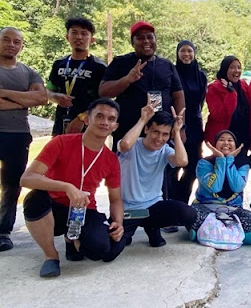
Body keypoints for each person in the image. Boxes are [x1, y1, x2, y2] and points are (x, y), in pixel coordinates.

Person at [20, 98, 125, 277]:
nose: (104, 122)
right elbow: (27, 178)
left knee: (106, 249)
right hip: (54, 208)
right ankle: (51, 256)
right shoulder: (61, 143)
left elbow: (115, 199)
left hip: (84, 210)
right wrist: (66, 186)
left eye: (111, 119)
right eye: (99, 116)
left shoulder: (111, 159)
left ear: (115, 126)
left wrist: (119, 224)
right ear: (87, 120)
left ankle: (72, 239)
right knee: (34, 200)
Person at [117, 99, 196, 247]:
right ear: (146, 129)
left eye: (165, 134)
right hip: (128, 208)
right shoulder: (133, 145)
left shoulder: (165, 150)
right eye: (156, 132)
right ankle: (130, 230)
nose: (159, 139)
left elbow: (182, 161)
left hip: (153, 206)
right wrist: (143, 119)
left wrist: (176, 132)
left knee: (189, 213)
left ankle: (152, 227)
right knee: (110, 251)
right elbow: (125, 145)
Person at [99, 21, 185, 149]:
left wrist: (180, 127)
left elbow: (178, 96)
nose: (146, 41)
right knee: (125, 168)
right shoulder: (120, 63)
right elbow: (103, 91)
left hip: (161, 132)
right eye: (140, 38)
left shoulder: (167, 65)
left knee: (163, 168)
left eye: (150, 37)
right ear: (132, 43)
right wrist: (127, 79)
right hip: (129, 131)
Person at [0, 27, 47, 252]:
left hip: (17, 134)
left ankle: (3, 231)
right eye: (6, 40)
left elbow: (41, 98)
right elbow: (33, 99)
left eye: (16, 41)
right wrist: (24, 100)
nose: (11, 44)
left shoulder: (29, 72)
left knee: (12, 185)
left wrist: (4, 94)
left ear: (22, 46)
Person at [190, 130, 251, 243]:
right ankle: (239, 235)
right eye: (221, 140)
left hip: (232, 209)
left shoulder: (243, 163)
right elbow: (215, 187)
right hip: (206, 207)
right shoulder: (204, 163)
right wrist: (221, 160)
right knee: (191, 215)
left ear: (236, 145)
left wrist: (230, 161)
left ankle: (203, 233)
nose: (226, 143)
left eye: (230, 140)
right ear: (214, 145)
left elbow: (237, 187)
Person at [47, 17, 107, 135]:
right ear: (67, 37)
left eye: (84, 34)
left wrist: (83, 117)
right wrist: (55, 96)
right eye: (74, 32)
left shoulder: (100, 67)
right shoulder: (59, 64)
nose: (79, 37)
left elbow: (105, 100)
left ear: (92, 40)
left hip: (88, 125)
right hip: (61, 123)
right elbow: (48, 91)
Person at [168, 40, 207, 203]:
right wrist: (178, 126)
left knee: (193, 166)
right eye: (183, 51)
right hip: (176, 124)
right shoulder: (172, 73)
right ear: (177, 53)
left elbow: (201, 101)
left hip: (195, 125)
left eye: (190, 51)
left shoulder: (201, 75)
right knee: (173, 166)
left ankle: (181, 202)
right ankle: (170, 203)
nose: (186, 54)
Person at [205, 56, 251, 155]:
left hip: (243, 138)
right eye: (232, 67)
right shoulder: (214, 88)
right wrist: (231, 94)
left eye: (239, 67)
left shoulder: (243, 86)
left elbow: (250, 112)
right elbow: (218, 115)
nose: (236, 70)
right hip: (224, 141)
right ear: (225, 69)